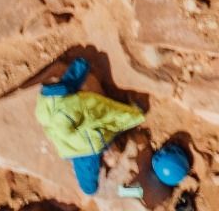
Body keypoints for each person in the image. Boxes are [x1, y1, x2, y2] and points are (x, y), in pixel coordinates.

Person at [32, 56, 146, 197]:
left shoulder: (47, 104)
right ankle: (128, 189)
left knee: (90, 187)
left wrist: (82, 64)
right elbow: (109, 113)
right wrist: (136, 115)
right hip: (84, 148)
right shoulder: (78, 105)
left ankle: (129, 188)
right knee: (90, 189)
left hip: (71, 146)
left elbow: (70, 84)